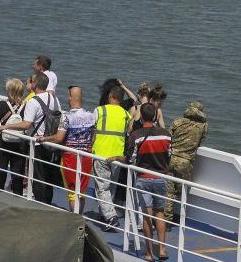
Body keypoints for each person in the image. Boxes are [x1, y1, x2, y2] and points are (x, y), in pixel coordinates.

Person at [1, 71, 62, 206]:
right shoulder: (55, 99)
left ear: (35, 84)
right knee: (48, 176)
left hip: (38, 144)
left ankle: (40, 205)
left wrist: (6, 126)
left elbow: (27, 124)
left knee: (37, 177)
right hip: (52, 142)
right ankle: (47, 202)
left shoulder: (33, 102)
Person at [38, 85, 96, 212]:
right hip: (86, 157)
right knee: (81, 192)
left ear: (71, 98)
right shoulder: (91, 116)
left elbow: (59, 138)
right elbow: (93, 138)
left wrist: (45, 138)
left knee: (72, 192)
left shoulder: (67, 117)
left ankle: (74, 219)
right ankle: (79, 217)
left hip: (70, 157)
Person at [126, 103, 171, 262]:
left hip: (143, 178)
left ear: (142, 116)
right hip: (161, 178)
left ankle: (149, 253)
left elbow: (130, 159)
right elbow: (168, 156)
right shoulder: (166, 134)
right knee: (160, 213)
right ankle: (163, 250)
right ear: (154, 116)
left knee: (146, 215)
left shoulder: (136, 135)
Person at [90, 79, 131, 231]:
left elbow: (91, 130)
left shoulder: (100, 110)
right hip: (117, 156)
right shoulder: (127, 115)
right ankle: (104, 214)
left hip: (101, 154)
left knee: (102, 188)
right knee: (111, 187)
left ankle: (111, 217)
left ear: (110, 96)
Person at [164, 101, 208, 222]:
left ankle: (166, 216)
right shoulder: (203, 126)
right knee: (181, 191)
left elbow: (168, 138)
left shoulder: (177, 122)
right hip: (185, 162)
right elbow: (200, 142)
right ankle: (177, 217)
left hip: (171, 159)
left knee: (168, 190)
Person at [0, 78, 27, 195]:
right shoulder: (27, 107)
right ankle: (17, 195)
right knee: (17, 174)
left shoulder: (1, 105)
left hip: (2, 142)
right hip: (20, 144)